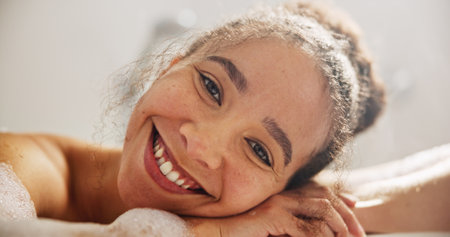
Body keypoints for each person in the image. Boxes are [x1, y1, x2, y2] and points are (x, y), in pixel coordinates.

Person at [1, 0, 448, 236]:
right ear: (168, 64)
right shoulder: (23, 165)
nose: (202, 145)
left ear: (280, 193)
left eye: (258, 151)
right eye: (211, 87)